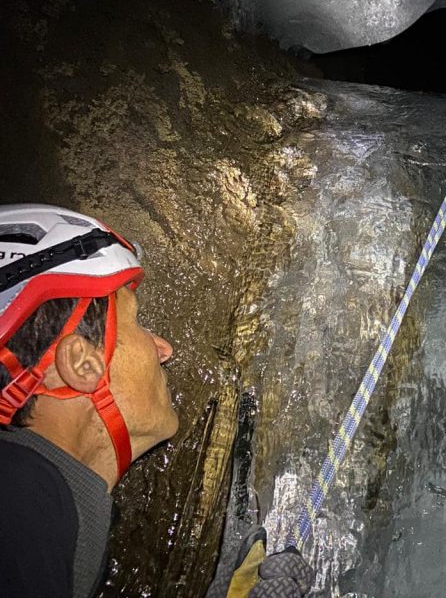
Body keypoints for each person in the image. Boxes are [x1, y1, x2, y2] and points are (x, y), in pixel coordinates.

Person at [0, 204, 314, 598]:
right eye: (138, 324)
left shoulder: (51, 512)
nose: (164, 348)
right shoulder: (19, 501)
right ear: (81, 363)